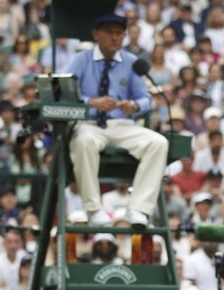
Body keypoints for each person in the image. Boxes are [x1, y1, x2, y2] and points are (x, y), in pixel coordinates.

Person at [66, 13, 168, 228]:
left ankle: (138, 209)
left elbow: (146, 99)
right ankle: (93, 209)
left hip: (121, 124)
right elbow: (64, 93)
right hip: (89, 123)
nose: (115, 38)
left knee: (158, 143)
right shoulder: (80, 60)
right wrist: (92, 102)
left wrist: (134, 106)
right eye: (109, 33)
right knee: (83, 141)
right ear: (96, 34)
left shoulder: (131, 62)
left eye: (119, 34)